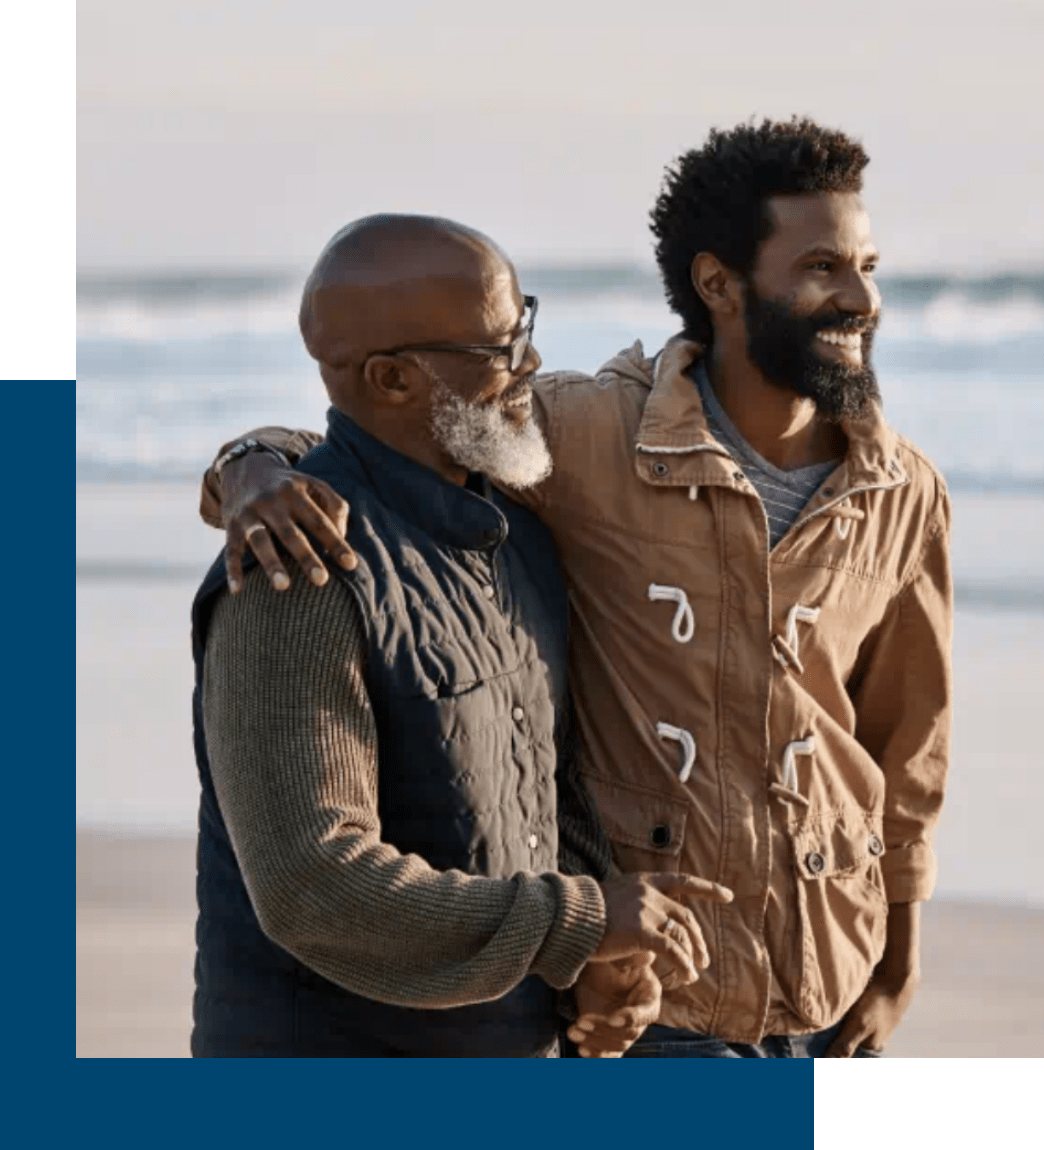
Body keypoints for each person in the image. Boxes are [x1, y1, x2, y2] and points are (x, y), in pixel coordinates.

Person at [203, 117, 953, 1059]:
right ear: (719, 284)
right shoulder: (584, 436)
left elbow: (907, 744)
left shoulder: (905, 490)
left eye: (868, 266)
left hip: (829, 985)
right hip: (661, 1004)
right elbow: (385, 442)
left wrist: (897, 964)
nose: (860, 298)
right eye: (821, 268)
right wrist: (249, 467)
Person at [190, 214, 732, 1059]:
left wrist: (596, 962)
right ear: (393, 378)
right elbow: (312, 885)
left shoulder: (517, 535)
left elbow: (550, 795)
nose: (532, 366)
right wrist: (581, 922)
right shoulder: (297, 575)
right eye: (501, 347)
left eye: (527, 326)